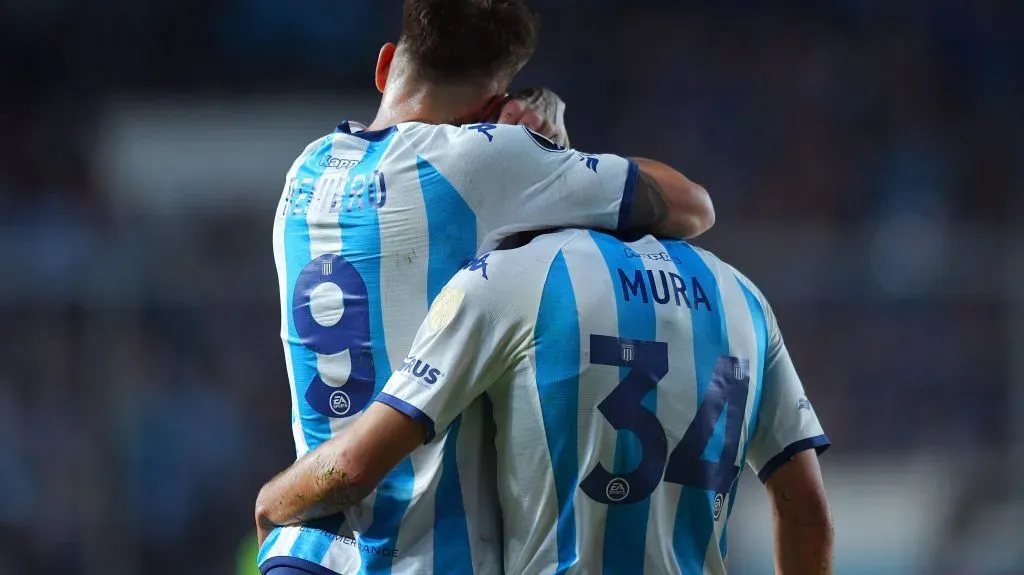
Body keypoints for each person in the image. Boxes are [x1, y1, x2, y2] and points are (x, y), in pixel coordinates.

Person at [258, 0, 716, 572]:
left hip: (303, 544)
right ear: (493, 104)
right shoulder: (487, 162)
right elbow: (692, 205)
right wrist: (549, 143)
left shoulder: (305, 171)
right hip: (421, 559)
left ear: (385, 65)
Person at [257, 229, 834, 575]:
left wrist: (270, 503)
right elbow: (806, 508)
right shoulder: (742, 295)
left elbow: (355, 466)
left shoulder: (516, 275)